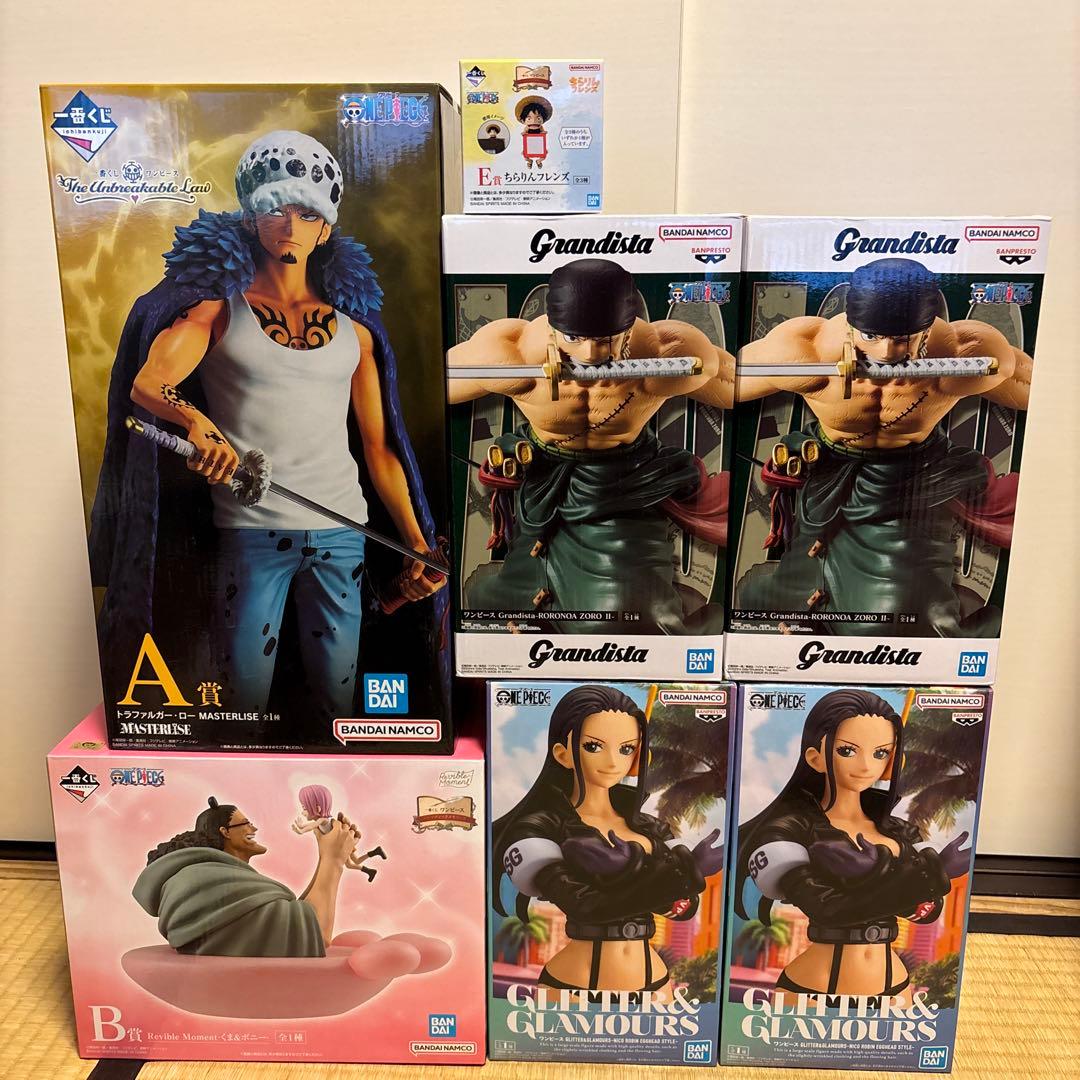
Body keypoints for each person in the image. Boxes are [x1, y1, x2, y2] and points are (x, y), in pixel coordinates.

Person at [92, 130, 445, 721]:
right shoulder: (216, 309)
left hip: (344, 532)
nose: (289, 225)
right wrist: (197, 424)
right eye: (275, 209)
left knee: (339, 702)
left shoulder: (355, 332)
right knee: (242, 701)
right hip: (251, 532)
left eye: (307, 214)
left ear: (325, 229)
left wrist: (414, 541)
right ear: (251, 218)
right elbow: (148, 384)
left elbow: (380, 449)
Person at [735, 258, 1030, 636]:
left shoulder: (962, 350)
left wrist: (997, 368)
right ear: (851, 323)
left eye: (904, 338)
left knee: (892, 624)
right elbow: (727, 382)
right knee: (767, 600)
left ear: (927, 328)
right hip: (829, 474)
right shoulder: (806, 349)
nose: (888, 352)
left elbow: (1038, 389)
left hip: (908, 483)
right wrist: (676, 372)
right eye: (871, 336)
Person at [448, 257, 733, 633]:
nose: (590, 355)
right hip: (544, 481)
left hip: (624, 483)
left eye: (604, 341)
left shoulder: (664, 349)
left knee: (629, 618)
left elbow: (736, 385)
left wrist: (807, 377)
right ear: (553, 326)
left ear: (628, 328)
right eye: (574, 339)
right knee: (511, 608)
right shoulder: (512, 351)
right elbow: (433, 385)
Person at [734, 689, 971, 1004]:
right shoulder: (792, 830)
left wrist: (896, 879)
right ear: (815, 758)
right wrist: (919, 875)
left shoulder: (897, 831)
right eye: (847, 750)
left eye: (880, 753)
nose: (865, 765)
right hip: (815, 989)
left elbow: (927, 911)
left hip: (895, 987)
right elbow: (829, 910)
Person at [491, 684, 723, 997]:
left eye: (626, 749)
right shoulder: (540, 828)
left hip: (655, 986)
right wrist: (666, 871)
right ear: (562, 753)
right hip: (573, 988)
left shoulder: (650, 827)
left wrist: (651, 873)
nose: (613, 761)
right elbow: (586, 906)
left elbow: (684, 908)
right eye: (593, 746)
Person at [133, 797, 361, 956]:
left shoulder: (217, 879)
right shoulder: (208, 882)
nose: (254, 829)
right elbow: (316, 934)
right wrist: (333, 859)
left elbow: (297, 919)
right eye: (246, 823)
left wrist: (327, 853)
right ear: (225, 832)